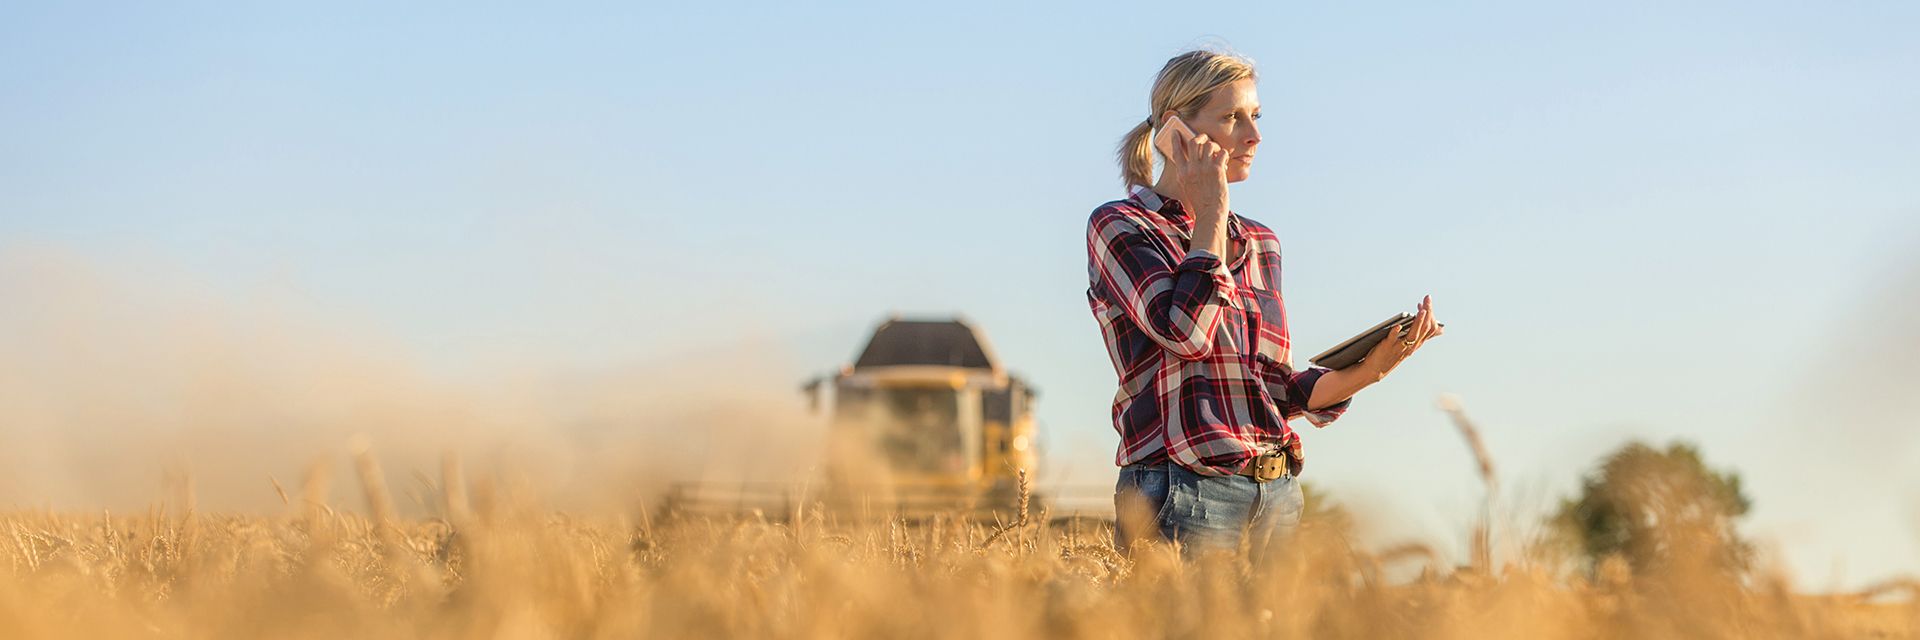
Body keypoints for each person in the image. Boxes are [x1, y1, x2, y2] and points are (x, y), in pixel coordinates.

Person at [1086, 49, 1443, 560]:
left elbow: (1274, 389)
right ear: (1175, 131)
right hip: (1182, 492)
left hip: (1276, 495)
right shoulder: (1120, 225)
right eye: (1231, 117)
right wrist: (1210, 210)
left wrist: (1373, 369)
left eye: (1255, 116)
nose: (1253, 135)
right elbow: (1185, 333)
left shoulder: (1261, 242)